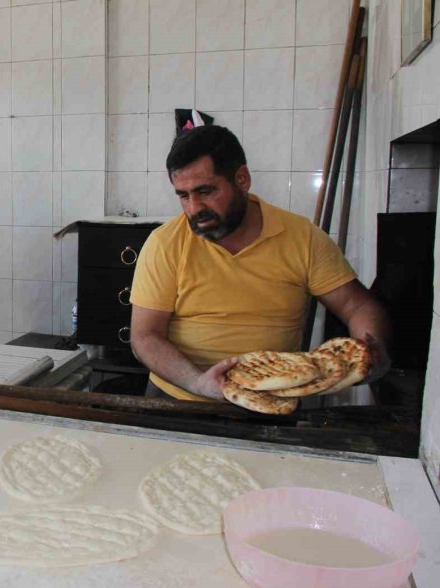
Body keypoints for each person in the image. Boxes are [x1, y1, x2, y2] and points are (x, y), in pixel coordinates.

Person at [129, 125, 390, 402]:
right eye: (183, 195)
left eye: (205, 191)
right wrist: (199, 383)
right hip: (180, 397)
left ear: (242, 179)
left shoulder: (302, 238)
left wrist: (367, 349)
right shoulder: (165, 244)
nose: (194, 209)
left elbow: (357, 306)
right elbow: (145, 337)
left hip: (273, 397)